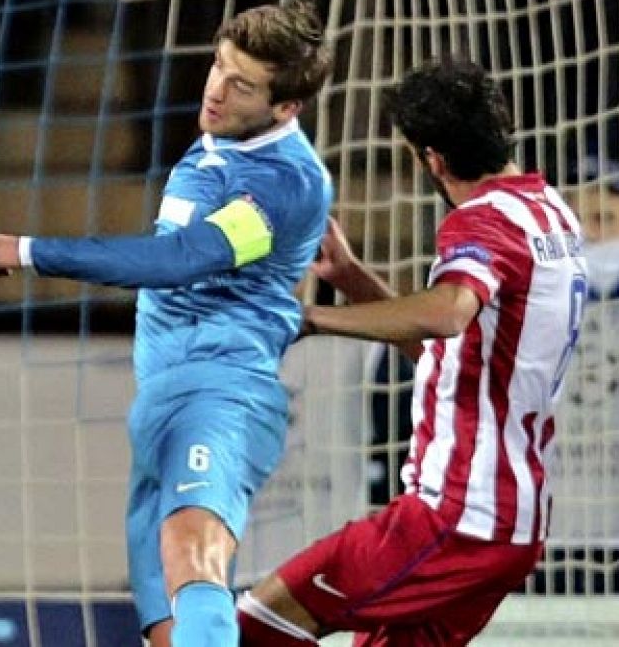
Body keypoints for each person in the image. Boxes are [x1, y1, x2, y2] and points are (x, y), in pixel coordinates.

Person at [0, 0, 333, 647]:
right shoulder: (222, 142)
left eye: (242, 84)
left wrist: (32, 250)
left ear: (286, 108)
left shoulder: (283, 181)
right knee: (170, 627)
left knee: (192, 550)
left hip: (222, 395)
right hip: (163, 400)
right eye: (218, 67)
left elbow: (182, 259)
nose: (217, 91)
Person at [238, 59, 586, 646]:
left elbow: (448, 313)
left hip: (454, 517)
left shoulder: (480, 221)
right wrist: (350, 277)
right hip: (508, 522)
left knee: (253, 625)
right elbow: (446, 351)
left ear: (433, 160)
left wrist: (312, 318)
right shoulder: (550, 212)